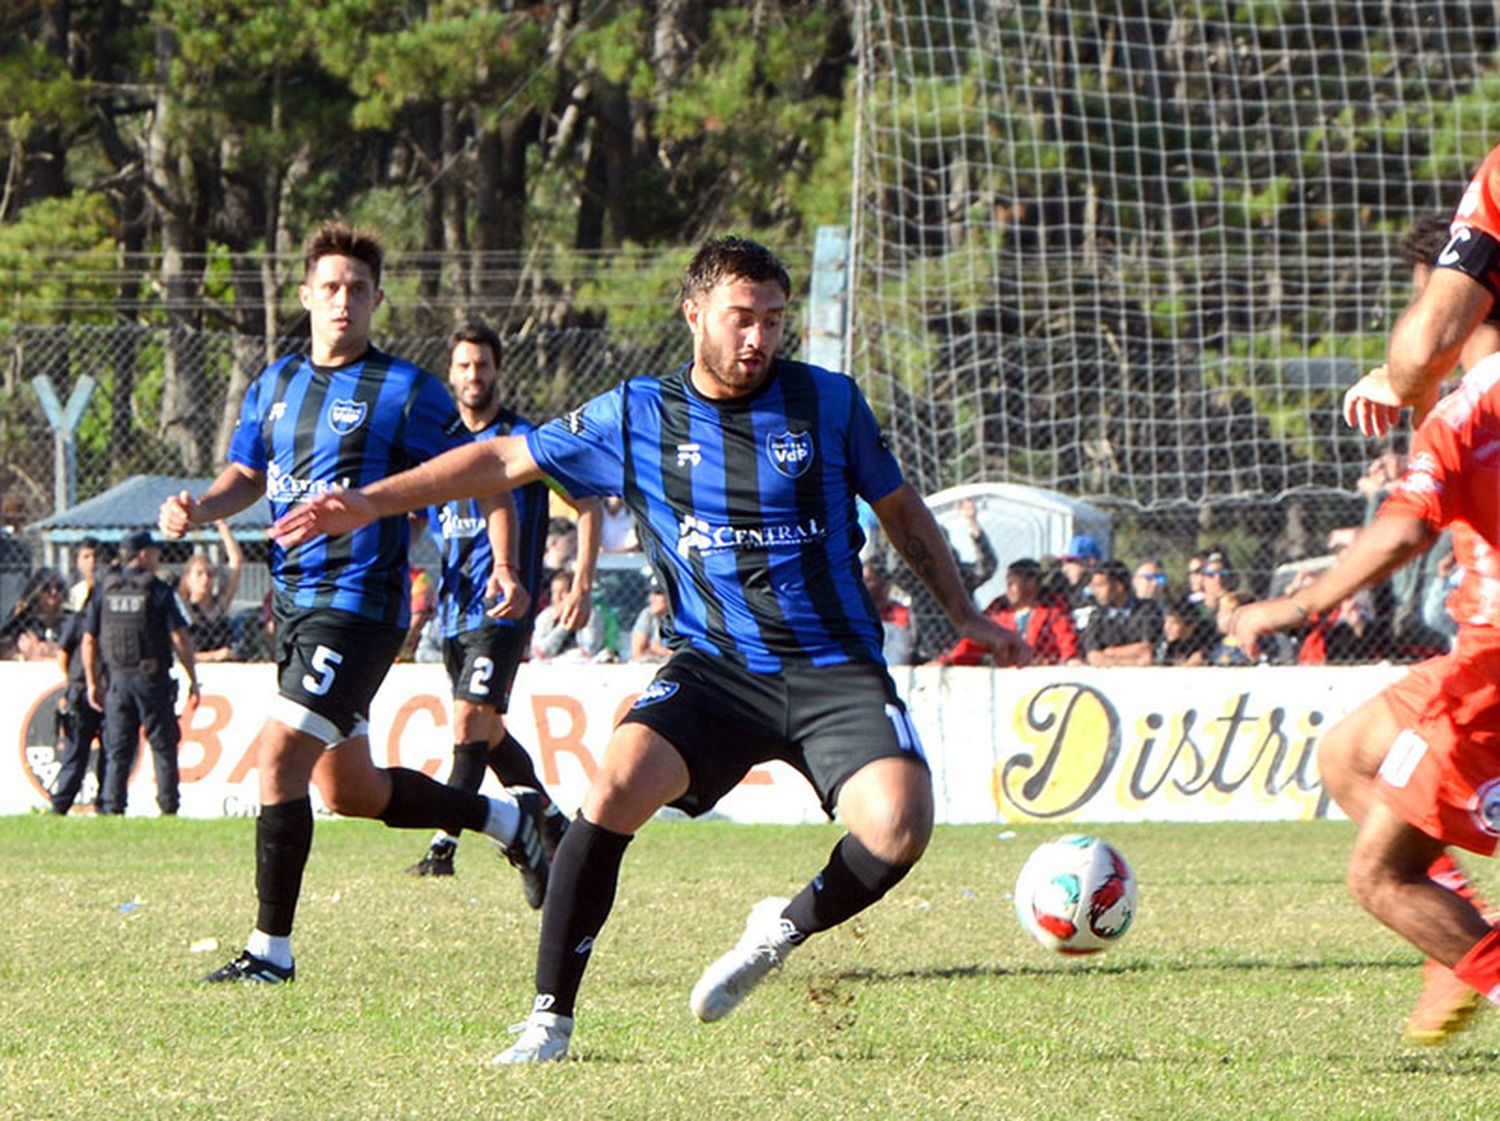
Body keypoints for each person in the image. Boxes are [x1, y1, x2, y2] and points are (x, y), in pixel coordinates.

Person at [269, 235, 1027, 1062]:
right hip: (714, 670)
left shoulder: (831, 405)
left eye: (775, 321)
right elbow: (500, 457)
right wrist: (371, 502)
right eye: (743, 318)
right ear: (694, 312)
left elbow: (904, 512)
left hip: (835, 666)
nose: (759, 339)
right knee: (615, 782)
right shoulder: (638, 414)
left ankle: (779, 928)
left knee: (901, 826)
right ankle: (549, 1023)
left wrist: (962, 609)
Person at [156, 220, 551, 984]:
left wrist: (504, 560)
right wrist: (200, 508)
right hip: (296, 605)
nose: (343, 302)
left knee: (277, 758)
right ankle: (512, 820)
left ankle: (271, 952)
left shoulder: (406, 391)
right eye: (330, 288)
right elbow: (248, 474)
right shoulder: (273, 384)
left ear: (377, 300)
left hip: (362, 605)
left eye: (358, 291)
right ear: (305, 295)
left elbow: (485, 470)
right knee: (351, 789)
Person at [1233, 353, 1500, 1046]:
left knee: (1379, 875)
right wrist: (1420, 390)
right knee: (1348, 754)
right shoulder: (1463, 406)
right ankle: (1454, 937)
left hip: (1491, 668)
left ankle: (1471, 954)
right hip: (1471, 654)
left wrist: (1296, 604)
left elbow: (1408, 526)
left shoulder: (1469, 409)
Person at [406, 321, 600, 879]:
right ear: (451, 373)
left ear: (498, 371)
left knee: (469, 723)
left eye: (483, 365)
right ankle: (550, 819)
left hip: (505, 607)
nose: (474, 375)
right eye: (464, 365)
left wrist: (581, 582)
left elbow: (587, 503)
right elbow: (417, 512)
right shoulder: (438, 441)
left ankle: (444, 845)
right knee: (487, 734)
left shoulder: (524, 441)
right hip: (452, 607)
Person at [82, 530, 199, 816]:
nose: (160, 558)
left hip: (117, 680)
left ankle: (112, 807)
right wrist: (193, 678)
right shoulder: (157, 590)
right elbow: (180, 637)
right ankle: (168, 807)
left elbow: (89, 639)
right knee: (163, 746)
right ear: (144, 555)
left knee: (118, 749)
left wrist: (91, 680)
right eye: (157, 553)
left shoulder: (104, 589)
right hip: (151, 679)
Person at [934, 557, 1079, 667]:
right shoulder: (998, 609)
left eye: (1012, 583)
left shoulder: (1053, 609)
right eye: (1007, 583)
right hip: (1004, 673)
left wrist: (1070, 661)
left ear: (1031, 583)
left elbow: (1066, 641)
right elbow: (974, 639)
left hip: (1040, 671)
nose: (1007, 589)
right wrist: (948, 661)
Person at [51, 568, 107, 813]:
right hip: (81, 690)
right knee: (76, 754)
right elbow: (62, 657)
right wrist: (72, 683)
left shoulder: (114, 624)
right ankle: (60, 805)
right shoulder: (77, 621)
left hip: (109, 691)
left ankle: (106, 805)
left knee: (112, 753)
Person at [177, 520, 243, 662]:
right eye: (199, 574)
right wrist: (214, 656)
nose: (206, 579)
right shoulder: (182, 608)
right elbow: (177, 653)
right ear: (188, 578)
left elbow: (236, 561)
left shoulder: (219, 606)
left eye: (210, 574)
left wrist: (222, 526)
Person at [1080, 559, 1159, 667]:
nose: (1095, 591)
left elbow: (1146, 649)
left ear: (1119, 587)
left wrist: (1108, 652)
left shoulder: (1147, 609)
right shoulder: (1097, 615)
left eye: (1101, 585)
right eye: (1093, 586)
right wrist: (1133, 662)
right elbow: (1093, 656)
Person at [1, 568, 70, 660]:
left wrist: (42, 648)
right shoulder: (24, 619)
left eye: (59, 587)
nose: (54, 592)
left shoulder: (70, 618)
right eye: (47, 587)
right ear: (37, 591)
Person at [630, 579, 673, 663]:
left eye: (658, 593)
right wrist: (659, 650)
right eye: (651, 593)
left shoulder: (684, 618)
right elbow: (637, 653)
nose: (651, 599)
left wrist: (656, 649)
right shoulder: (648, 615)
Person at [66, 537, 101, 612]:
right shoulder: (74, 592)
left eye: (96, 556)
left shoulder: (108, 587)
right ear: (77, 561)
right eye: (86, 557)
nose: (92, 561)